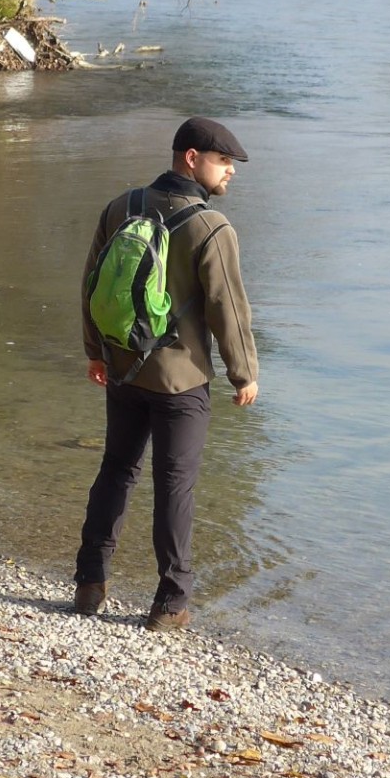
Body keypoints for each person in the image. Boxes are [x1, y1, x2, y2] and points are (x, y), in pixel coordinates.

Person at [73, 116, 258, 630]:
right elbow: (229, 310)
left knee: (116, 470)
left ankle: (90, 582)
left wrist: (95, 352)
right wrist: (244, 373)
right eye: (224, 162)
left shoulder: (121, 207)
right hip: (181, 381)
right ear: (192, 159)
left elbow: (91, 283)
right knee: (174, 486)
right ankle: (171, 603)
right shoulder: (211, 227)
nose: (231, 173)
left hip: (123, 369)